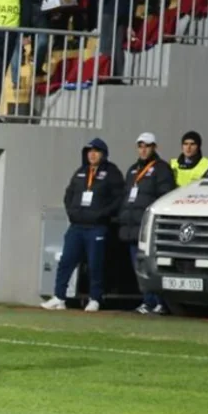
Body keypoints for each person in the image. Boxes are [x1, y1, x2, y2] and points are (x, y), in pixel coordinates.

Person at [41, 138, 125, 312]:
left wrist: (102, 215)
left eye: (96, 151)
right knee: (66, 261)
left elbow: (118, 199)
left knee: (95, 264)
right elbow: (69, 194)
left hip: (97, 227)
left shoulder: (112, 172)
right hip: (77, 226)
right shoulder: (81, 172)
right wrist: (72, 212)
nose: (92, 155)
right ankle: (59, 297)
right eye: (89, 151)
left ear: (103, 154)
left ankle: (95, 298)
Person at [118, 132, 175, 314]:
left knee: (152, 266)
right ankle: (148, 301)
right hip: (132, 227)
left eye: (147, 146)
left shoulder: (162, 169)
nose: (143, 150)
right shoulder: (132, 170)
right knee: (139, 268)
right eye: (140, 146)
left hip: (149, 227)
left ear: (154, 147)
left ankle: (161, 302)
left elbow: (165, 196)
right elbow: (125, 196)